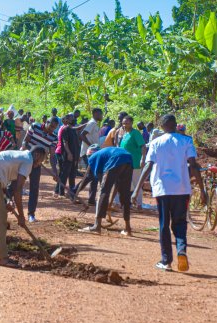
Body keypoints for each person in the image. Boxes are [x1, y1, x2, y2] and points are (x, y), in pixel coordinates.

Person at [132, 114, 206, 272]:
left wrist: (137, 189)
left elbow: (148, 166)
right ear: (175, 125)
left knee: (164, 224)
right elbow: (193, 165)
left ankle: (166, 261)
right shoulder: (186, 141)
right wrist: (202, 190)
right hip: (182, 189)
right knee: (180, 223)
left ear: (162, 126)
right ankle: (181, 250)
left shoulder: (156, 142)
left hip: (163, 190)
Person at [0, 147, 47, 267]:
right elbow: (18, 190)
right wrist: (21, 216)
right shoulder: (28, 161)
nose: (39, 164)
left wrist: (7, 199)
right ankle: (1, 258)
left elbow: (4, 181)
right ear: (37, 155)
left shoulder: (20, 156)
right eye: (41, 160)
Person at [75, 145, 133, 236]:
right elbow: (117, 185)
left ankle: (96, 226)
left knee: (103, 192)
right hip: (128, 159)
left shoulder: (92, 159)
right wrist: (110, 202)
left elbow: (88, 179)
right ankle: (128, 229)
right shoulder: (104, 155)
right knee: (125, 194)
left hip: (116, 158)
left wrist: (75, 193)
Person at [15, 117, 58, 223]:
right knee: (15, 184)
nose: (52, 129)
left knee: (34, 188)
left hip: (37, 164)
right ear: (46, 122)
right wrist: (31, 156)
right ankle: (8, 206)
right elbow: (25, 142)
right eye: (51, 126)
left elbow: (52, 155)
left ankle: (31, 214)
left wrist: (55, 171)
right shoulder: (35, 127)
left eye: (54, 127)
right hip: (24, 159)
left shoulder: (54, 137)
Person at [119, 116, 146, 208]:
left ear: (131, 123)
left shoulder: (135, 133)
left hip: (135, 163)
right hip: (125, 163)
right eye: (123, 123)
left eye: (127, 123)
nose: (124, 125)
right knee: (127, 184)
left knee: (136, 183)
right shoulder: (125, 134)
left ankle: (139, 203)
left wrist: (143, 158)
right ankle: (129, 202)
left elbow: (143, 146)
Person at [77, 108, 103, 205]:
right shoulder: (91, 123)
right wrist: (91, 146)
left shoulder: (94, 124)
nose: (101, 116)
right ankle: (74, 191)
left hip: (93, 153)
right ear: (95, 114)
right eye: (100, 114)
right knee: (91, 176)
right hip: (89, 153)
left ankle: (91, 199)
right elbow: (82, 135)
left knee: (93, 176)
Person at [56, 114, 80, 197]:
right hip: (67, 156)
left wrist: (77, 156)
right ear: (67, 120)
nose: (73, 120)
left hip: (74, 156)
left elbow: (76, 144)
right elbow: (65, 143)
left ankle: (72, 192)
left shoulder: (73, 130)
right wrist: (69, 153)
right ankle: (61, 192)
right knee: (64, 174)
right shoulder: (65, 129)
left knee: (72, 175)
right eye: (71, 118)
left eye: (73, 118)